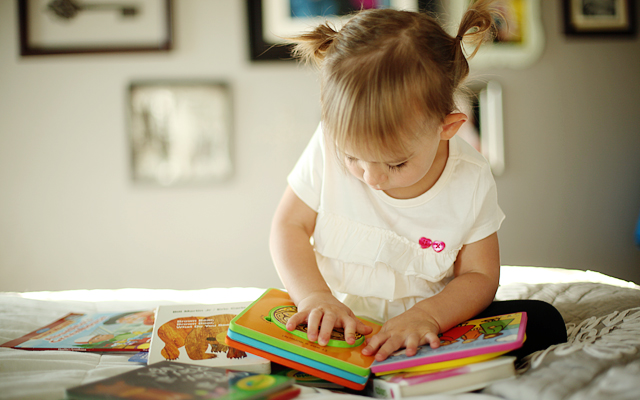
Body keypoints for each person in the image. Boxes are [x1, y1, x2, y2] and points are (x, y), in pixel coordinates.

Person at [270, 0, 566, 362]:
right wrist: (314, 297)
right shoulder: (326, 145)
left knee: (543, 321)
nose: (372, 177)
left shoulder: (469, 179)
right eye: (352, 157)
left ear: (448, 127)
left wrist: (427, 316)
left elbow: (479, 275)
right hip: (341, 323)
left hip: (429, 325)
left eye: (395, 163)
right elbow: (288, 226)